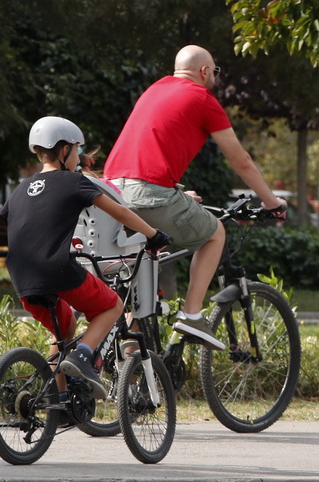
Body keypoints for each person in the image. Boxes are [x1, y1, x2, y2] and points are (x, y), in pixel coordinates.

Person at [103, 44, 287, 351]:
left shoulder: (155, 89)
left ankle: (134, 365)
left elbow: (141, 159)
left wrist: (174, 192)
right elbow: (240, 160)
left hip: (112, 193)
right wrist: (271, 202)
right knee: (215, 232)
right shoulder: (202, 97)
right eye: (214, 71)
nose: (215, 77)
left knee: (144, 265)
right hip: (147, 194)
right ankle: (191, 315)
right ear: (204, 71)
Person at [1, 116, 170, 400]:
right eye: (77, 150)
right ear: (64, 148)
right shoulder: (73, 182)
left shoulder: (20, 189)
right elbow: (120, 211)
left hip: (22, 277)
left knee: (64, 328)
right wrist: (154, 235)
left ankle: (59, 399)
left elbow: (13, 220)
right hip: (58, 270)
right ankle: (83, 355)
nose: (79, 157)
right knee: (112, 306)